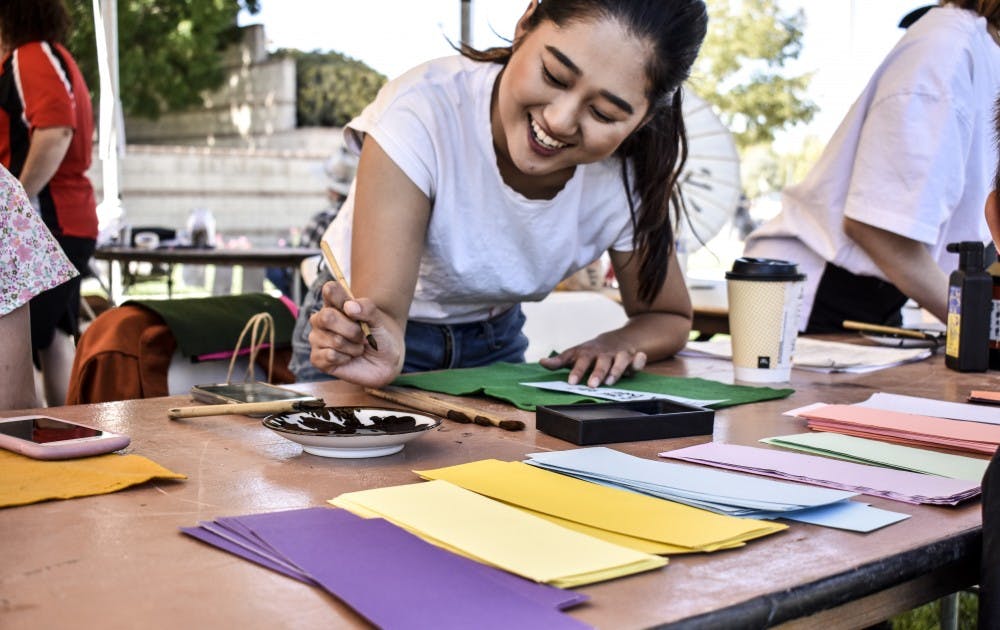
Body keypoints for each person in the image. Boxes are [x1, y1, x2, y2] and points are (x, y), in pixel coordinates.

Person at [291, 0, 707, 389]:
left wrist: (618, 342)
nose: (560, 121)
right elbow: (380, 314)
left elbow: (666, 315)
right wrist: (379, 343)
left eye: (604, 114)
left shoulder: (631, 171)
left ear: (645, 117)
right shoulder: (422, 108)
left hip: (494, 344)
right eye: (554, 76)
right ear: (526, 23)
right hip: (363, 340)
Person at [743, 1, 1000, 333]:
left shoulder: (981, 48)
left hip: (882, 290)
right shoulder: (947, 48)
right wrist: (977, 328)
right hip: (816, 290)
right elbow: (876, 228)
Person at [0, 0, 98, 405]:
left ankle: (35, 439)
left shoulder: (30, 55)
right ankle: (65, 436)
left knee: (22, 363)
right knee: (55, 343)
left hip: (46, 228)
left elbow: (56, 129)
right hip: (59, 225)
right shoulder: (47, 54)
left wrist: (12, 202)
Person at [0, 163, 77, 410]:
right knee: (55, 335)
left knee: (55, 334)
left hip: (57, 223)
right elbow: (13, 406)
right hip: (32, 224)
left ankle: (65, 422)